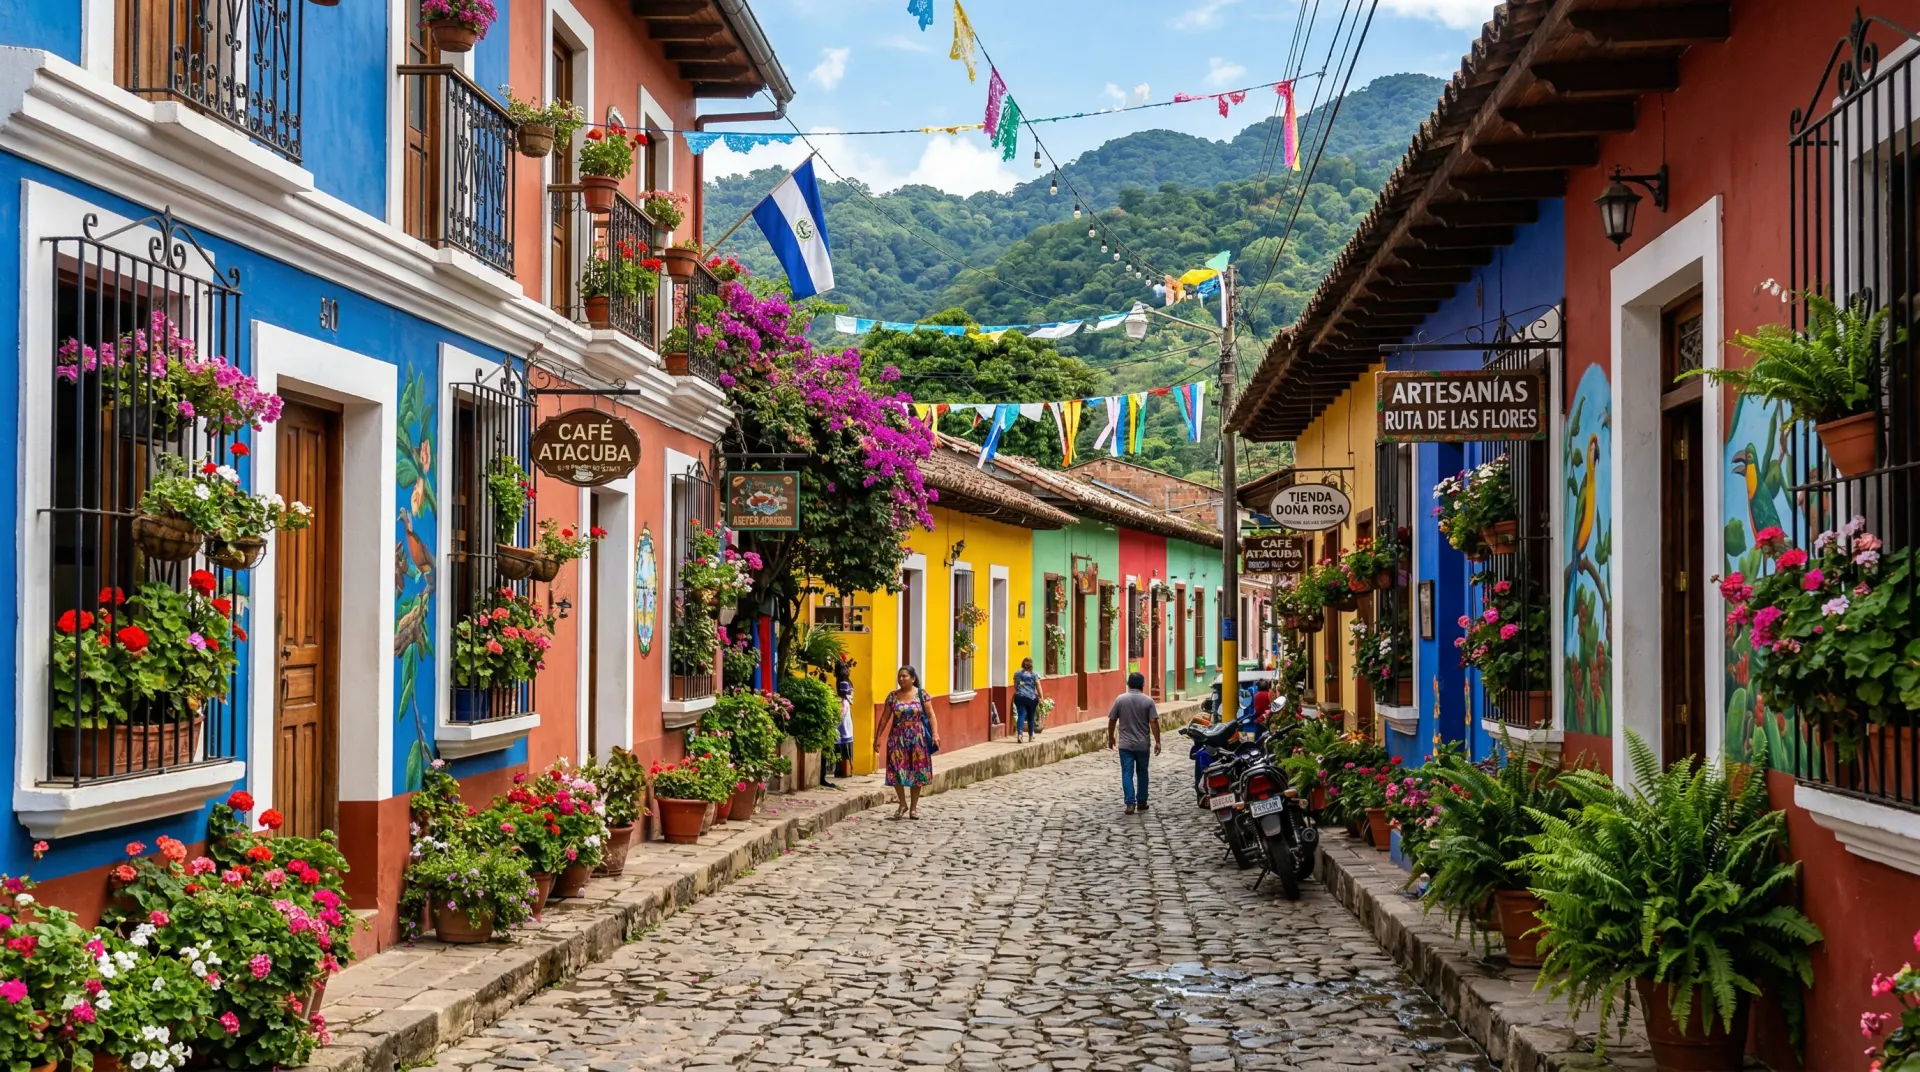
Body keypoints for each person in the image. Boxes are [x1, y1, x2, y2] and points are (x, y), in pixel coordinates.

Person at [873, 665, 939, 819]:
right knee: (896, 770)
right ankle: (902, 803)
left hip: (917, 739)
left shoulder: (922, 695)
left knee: (917, 771)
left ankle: (913, 808)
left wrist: (935, 734)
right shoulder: (893, 696)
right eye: (899, 676)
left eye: (904, 676)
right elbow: (884, 718)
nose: (901, 679)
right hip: (897, 739)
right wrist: (877, 737)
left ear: (913, 678)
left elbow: (931, 715)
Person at [1105, 671, 1162, 815]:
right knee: (1142, 772)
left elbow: (1112, 720)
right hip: (1143, 744)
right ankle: (1142, 801)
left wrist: (1111, 737)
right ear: (1143, 685)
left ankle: (1130, 803)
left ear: (1128, 684)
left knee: (1127, 773)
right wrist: (1158, 741)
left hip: (1125, 745)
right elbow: (1153, 722)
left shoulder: (1120, 699)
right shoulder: (1148, 701)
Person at [1012, 657, 1042, 742]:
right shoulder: (1035, 675)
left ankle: (1020, 735)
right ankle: (1031, 735)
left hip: (1019, 697)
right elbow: (1038, 686)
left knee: (1021, 715)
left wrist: (1021, 690)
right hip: (1031, 698)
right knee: (1031, 716)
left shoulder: (1017, 673)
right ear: (1031, 665)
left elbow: (1015, 686)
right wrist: (1041, 697)